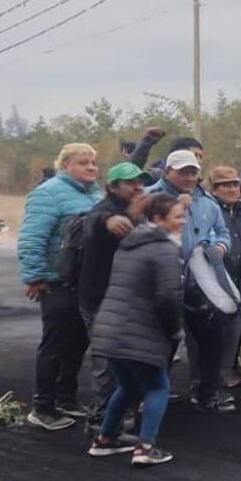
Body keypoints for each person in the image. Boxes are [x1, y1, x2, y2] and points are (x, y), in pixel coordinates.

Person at [87, 193, 185, 467]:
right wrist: (174, 330)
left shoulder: (129, 244)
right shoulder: (165, 249)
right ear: (158, 219)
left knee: (129, 387)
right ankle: (146, 447)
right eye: (178, 216)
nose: (183, 222)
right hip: (140, 329)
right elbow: (167, 297)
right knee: (158, 387)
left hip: (109, 329)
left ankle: (105, 439)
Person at [18, 143, 102, 430]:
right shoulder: (48, 194)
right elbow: (32, 238)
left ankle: (66, 397)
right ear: (66, 165)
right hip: (57, 282)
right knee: (55, 345)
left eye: (93, 162)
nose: (91, 167)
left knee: (78, 342)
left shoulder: (94, 193)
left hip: (85, 282)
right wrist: (35, 277)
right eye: (83, 162)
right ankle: (42, 407)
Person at [147, 151, 233, 414]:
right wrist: (177, 206)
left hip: (200, 283)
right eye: (182, 171)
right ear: (166, 171)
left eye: (193, 171)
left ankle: (207, 392)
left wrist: (221, 246)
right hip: (162, 282)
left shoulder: (207, 201)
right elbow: (139, 230)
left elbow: (223, 231)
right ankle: (148, 397)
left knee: (211, 340)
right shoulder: (150, 198)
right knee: (160, 343)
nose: (189, 177)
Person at [76, 161, 154, 431]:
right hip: (100, 300)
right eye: (131, 182)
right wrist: (110, 220)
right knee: (107, 363)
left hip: (126, 300)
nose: (138, 186)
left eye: (140, 181)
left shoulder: (135, 209)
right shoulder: (105, 210)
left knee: (127, 360)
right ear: (112, 187)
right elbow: (94, 221)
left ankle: (117, 416)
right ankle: (99, 420)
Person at [209, 165, 241, 389]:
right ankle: (208, 387)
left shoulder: (240, 213)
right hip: (216, 287)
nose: (232, 188)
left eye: (235, 184)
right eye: (226, 185)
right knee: (213, 341)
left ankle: (223, 382)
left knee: (234, 336)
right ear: (214, 188)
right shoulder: (211, 211)